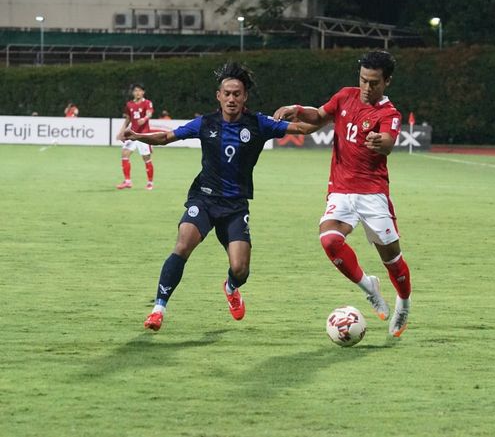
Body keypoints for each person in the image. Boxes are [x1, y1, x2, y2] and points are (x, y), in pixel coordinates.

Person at [125, 62, 318, 331]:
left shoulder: (260, 124)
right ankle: (158, 309)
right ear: (218, 96)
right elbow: (167, 137)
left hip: (235, 206)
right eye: (226, 93)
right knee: (183, 245)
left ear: (244, 97)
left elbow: (307, 128)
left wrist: (308, 110)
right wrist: (137, 136)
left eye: (236, 94)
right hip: (203, 199)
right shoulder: (205, 123)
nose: (231, 99)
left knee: (241, 270)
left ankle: (230, 287)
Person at [273, 50, 412, 338]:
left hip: (373, 194)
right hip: (340, 190)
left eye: (374, 82)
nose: (366, 87)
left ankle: (404, 303)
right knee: (329, 241)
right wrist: (298, 108)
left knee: (392, 259)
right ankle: (369, 287)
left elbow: (388, 142)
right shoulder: (345, 96)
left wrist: (379, 141)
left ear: (387, 82)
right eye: (363, 80)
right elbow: (320, 116)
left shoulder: (389, 113)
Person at [116, 84, 155, 190]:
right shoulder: (129, 104)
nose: (137, 92)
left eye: (139, 90)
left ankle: (150, 182)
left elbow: (149, 113)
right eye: (135, 91)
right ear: (133, 92)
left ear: (143, 92)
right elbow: (128, 119)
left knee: (146, 158)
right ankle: (128, 181)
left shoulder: (147, 103)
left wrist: (145, 118)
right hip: (132, 134)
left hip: (144, 135)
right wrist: (121, 132)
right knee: (124, 154)